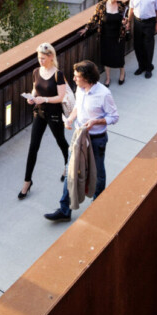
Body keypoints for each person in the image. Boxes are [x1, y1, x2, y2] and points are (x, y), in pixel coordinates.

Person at [44, 61, 118, 223]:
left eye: (77, 77)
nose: (74, 79)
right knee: (71, 171)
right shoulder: (80, 89)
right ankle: (65, 209)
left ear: (88, 78)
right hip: (79, 136)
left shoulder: (104, 94)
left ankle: (97, 204)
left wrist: (95, 122)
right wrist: (70, 119)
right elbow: (78, 106)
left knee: (97, 173)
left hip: (96, 140)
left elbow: (114, 117)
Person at [19, 43, 71, 199]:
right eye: (38, 58)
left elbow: (61, 97)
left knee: (61, 141)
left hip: (54, 114)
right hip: (39, 113)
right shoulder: (36, 71)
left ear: (51, 57)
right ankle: (27, 182)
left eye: (43, 58)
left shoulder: (58, 74)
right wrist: (32, 98)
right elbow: (35, 89)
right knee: (33, 147)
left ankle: (68, 166)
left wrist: (45, 99)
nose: (40, 61)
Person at [81, 0, 129, 83]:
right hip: (105, 36)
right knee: (106, 57)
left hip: (119, 36)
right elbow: (95, 18)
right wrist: (86, 28)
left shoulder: (121, 5)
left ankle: (122, 74)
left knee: (119, 56)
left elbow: (126, 17)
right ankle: (108, 78)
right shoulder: (101, 5)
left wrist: (125, 22)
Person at [126, 0, 157, 79]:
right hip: (137, 22)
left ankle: (148, 68)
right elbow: (131, 8)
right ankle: (141, 66)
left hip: (150, 23)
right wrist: (129, 21)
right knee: (137, 46)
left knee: (148, 46)